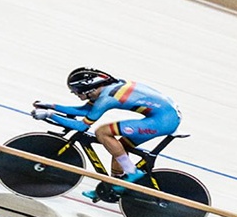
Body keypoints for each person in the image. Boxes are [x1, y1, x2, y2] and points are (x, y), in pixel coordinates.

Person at [29, 68, 182, 202]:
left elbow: (82, 126)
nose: (75, 94)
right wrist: (52, 106)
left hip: (163, 121)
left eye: (76, 91)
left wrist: (50, 115)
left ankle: (132, 172)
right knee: (118, 147)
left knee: (102, 132)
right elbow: (83, 110)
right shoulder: (106, 90)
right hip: (165, 117)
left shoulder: (107, 99)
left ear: (87, 88)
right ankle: (114, 187)